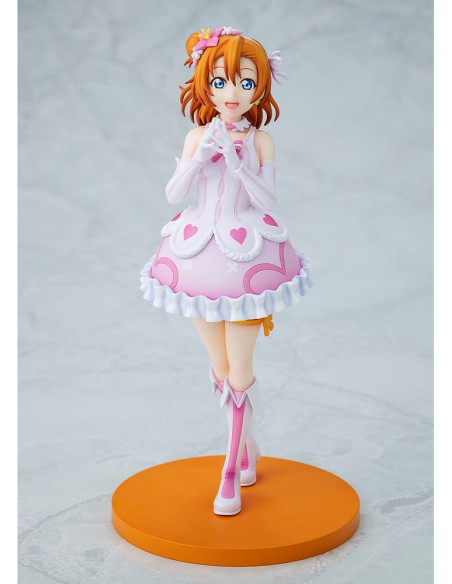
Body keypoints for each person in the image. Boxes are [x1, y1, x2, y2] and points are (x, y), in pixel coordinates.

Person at [140, 26, 312, 516]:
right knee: (219, 368)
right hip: (198, 255)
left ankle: (230, 471)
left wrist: (239, 164)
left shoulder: (262, 141)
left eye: (245, 82)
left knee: (240, 371)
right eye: (219, 82)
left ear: (260, 89)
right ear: (204, 86)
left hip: (247, 256)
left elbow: (267, 199)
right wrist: (199, 158)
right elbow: (174, 195)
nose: (232, 93)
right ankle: (249, 444)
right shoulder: (197, 134)